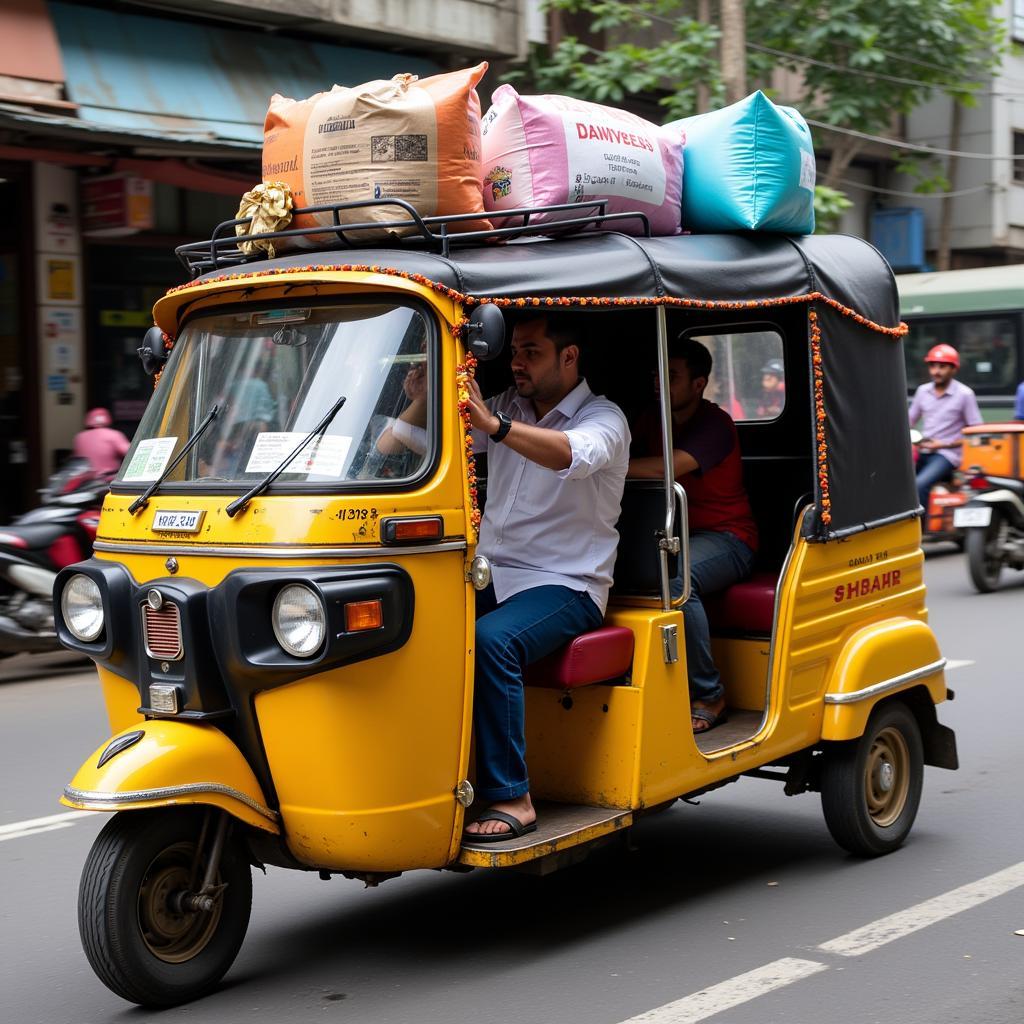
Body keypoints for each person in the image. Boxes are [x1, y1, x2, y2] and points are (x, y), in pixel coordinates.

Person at [463, 315, 630, 841]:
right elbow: (408, 442)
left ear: (569, 357)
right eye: (513, 351)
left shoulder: (605, 418)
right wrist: (428, 395)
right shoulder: (508, 406)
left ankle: (513, 794)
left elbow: (570, 455)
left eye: (530, 352)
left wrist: (496, 427)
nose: (515, 362)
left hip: (566, 583)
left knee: (492, 642)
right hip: (492, 573)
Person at [628, 337, 758, 734]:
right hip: (674, 533)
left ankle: (709, 692)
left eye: (671, 376)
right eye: (657, 375)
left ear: (698, 384)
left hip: (729, 539)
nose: (659, 383)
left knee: (678, 581)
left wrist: (601, 466)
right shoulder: (651, 418)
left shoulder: (715, 424)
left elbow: (663, 469)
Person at [908, 344, 982, 509]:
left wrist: (943, 444)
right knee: (901, 484)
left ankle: (921, 533)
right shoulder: (922, 391)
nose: (936, 371)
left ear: (954, 369)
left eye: (942, 366)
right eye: (933, 366)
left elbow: (976, 433)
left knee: (919, 486)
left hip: (948, 455)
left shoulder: (965, 394)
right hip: (923, 451)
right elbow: (908, 421)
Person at [73, 408, 130, 476]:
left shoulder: (79, 437)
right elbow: (130, 453)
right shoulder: (114, 435)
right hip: (106, 480)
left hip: (85, 481)